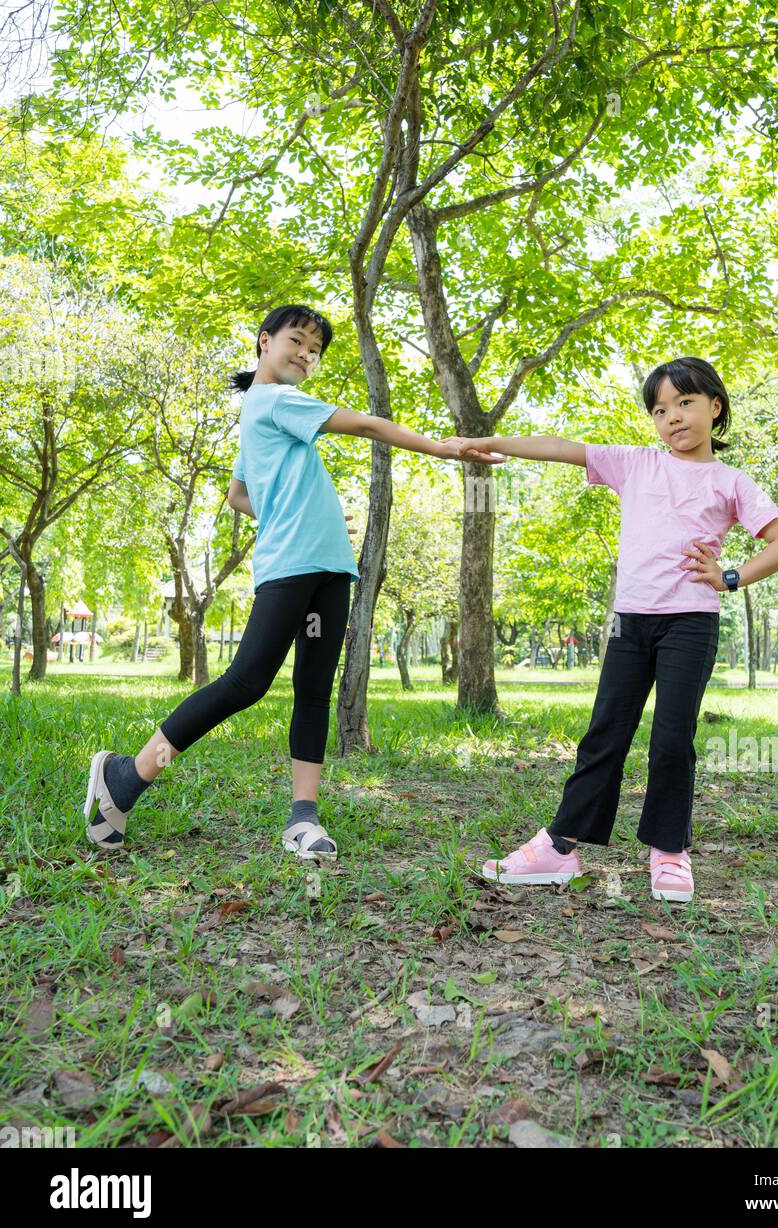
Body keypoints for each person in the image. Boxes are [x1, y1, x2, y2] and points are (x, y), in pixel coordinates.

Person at [83, 303, 502, 861]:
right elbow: (368, 425)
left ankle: (302, 819)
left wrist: (293, 510)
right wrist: (443, 447)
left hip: (329, 567)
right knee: (245, 683)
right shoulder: (276, 400)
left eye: (315, 350)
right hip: (291, 567)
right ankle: (124, 777)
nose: (307, 354)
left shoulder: (257, 413)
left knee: (313, 689)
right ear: (264, 341)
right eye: (297, 341)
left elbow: (238, 494)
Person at [447, 356, 778, 904]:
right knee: (605, 732)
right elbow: (562, 447)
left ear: (715, 407)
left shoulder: (731, 481)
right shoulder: (636, 464)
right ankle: (559, 849)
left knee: (671, 740)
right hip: (629, 623)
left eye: (685, 403)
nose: (673, 418)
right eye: (660, 410)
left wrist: (729, 576)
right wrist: (490, 441)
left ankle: (668, 852)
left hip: (690, 622)